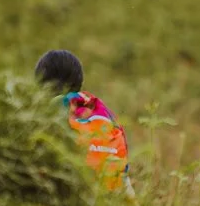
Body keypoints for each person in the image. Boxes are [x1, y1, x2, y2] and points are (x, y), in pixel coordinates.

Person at [34, 49, 131, 193]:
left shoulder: (46, 113)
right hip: (112, 198)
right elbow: (124, 167)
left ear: (41, 85)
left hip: (74, 199)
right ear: (80, 82)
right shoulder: (104, 113)